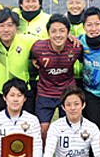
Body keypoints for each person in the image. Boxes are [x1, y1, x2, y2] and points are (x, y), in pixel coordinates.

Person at [29, 14, 83, 142]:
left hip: (67, 91)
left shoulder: (76, 47)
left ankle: (66, 153)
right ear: (48, 33)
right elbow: (32, 61)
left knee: (69, 129)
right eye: (53, 31)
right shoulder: (38, 48)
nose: (58, 35)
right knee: (43, 129)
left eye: (62, 31)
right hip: (45, 92)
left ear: (68, 33)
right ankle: (43, 154)